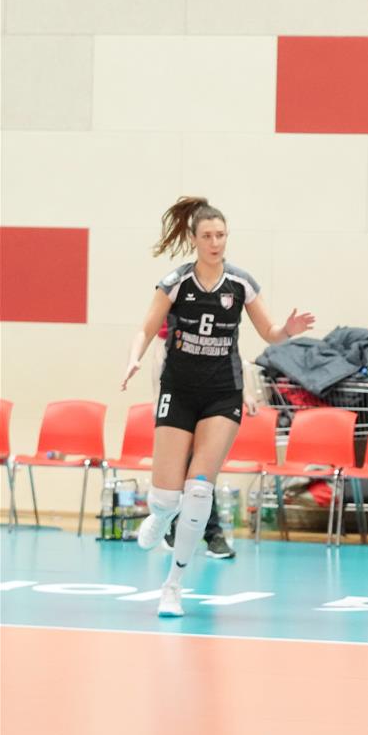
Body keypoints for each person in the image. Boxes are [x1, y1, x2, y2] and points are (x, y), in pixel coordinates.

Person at [122, 196, 315, 617]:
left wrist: (288, 330)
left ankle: (173, 585)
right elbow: (146, 328)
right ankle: (160, 513)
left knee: (198, 489)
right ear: (194, 239)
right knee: (167, 495)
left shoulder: (240, 283)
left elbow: (270, 332)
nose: (215, 242)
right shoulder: (175, 281)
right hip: (178, 390)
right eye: (207, 236)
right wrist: (134, 357)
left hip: (222, 393)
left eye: (221, 235)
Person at [151, 325, 257, 559]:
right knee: (181, 469)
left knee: (201, 476)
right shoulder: (175, 309)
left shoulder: (225, 315)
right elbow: (159, 349)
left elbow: (228, 350)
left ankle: (212, 534)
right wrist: (159, 400)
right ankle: (173, 523)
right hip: (178, 388)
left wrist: (244, 392)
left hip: (212, 393)